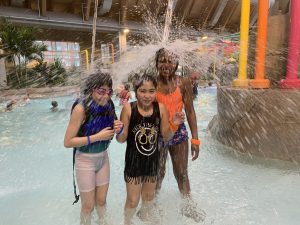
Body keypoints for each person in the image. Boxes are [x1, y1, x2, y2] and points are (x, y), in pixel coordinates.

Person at [116, 74, 184, 225]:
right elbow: (121, 140)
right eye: (142, 91)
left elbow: (166, 137)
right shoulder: (128, 109)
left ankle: (146, 219)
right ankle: (127, 222)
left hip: (152, 161)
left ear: (156, 91)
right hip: (134, 162)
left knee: (148, 199)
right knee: (133, 201)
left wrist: (175, 124)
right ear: (136, 91)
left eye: (151, 91)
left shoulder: (161, 109)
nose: (147, 96)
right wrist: (119, 131)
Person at [64, 72, 123, 225]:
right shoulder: (81, 109)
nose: (105, 95)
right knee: (88, 206)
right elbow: (68, 142)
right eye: (101, 91)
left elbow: (115, 131)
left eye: (108, 91)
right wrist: (96, 137)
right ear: (91, 90)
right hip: (85, 160)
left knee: (102, 201)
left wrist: (119, 127)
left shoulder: (109, 105)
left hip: (103, 158)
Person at [155, 48, 205, 222]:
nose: (166, 64)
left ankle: (188, 206)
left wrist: (195, 139)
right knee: (157, 173)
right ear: (156, 63)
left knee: (182, 173)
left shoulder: (183, 83)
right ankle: (152, 205)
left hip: (178, 134)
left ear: (176, 64)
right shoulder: (152, 84)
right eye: (162, 60)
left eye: (170, 61)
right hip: (158, 135)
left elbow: (190, 111)